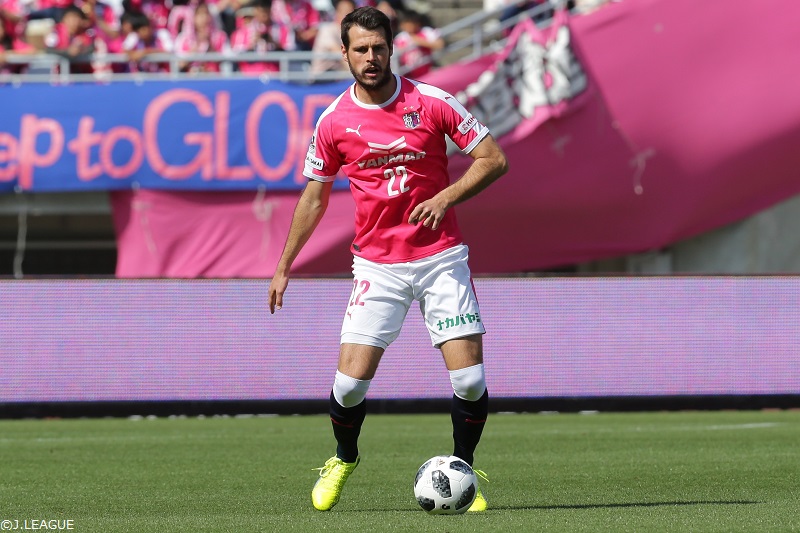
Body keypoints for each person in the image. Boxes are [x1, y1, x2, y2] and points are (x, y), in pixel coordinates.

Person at [267, 5, 508, 513]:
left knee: (470, 381)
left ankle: (462, 468)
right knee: (349, 386)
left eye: (378, 47)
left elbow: (493, 159)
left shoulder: (432, 102)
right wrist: (284, 265)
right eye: (361, 49)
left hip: (441, 258)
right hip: (377, 266)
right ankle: (344, 457)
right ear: (345, 54)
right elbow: (314, 198)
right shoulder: (333, 121)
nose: (371, 57)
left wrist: (446, 197)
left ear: (392, 48)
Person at [393, 8, 443, 78]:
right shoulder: (400, 38)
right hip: (409, 74)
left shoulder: (426, 31)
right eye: (406, 24)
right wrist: (401, 50)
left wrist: (420, 42)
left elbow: (440, 44)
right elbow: (394, 56)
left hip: (427, 70)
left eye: (410, 23)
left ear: (417, 23)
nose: (408, 27)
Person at [308, 0, 353, 77]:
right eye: (344, 11)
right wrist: (356, 73)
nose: (347, 15)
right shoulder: (327, 30)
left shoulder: (352, 33)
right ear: (336, 13)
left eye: (350, 12)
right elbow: (340, 55)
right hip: (322, 77)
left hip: (340, 75)